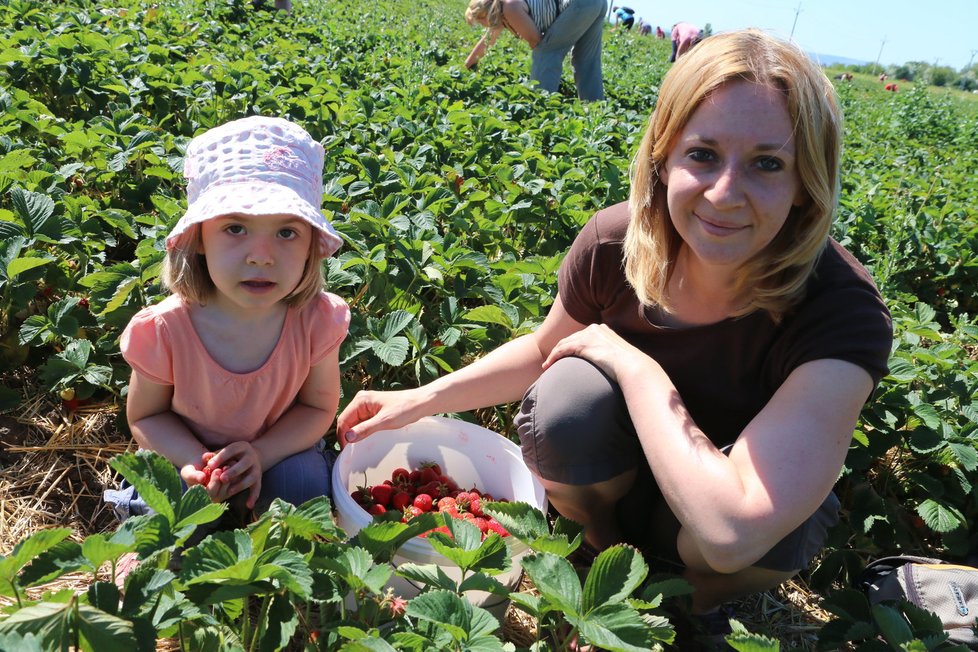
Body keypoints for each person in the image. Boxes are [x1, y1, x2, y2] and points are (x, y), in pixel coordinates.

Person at [337, 28, 892, 636]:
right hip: (619, 483)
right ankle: (602, 560)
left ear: (805, 183)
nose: (725, 193)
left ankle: (693, 606)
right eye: (702, 154)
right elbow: (546, 350)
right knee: (565, 397)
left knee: (763, 534)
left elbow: (734, 530)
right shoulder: (614, 245)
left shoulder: (841, 309)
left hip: (720, 524)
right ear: (664, 155)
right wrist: (419, 400)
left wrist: (639, 370)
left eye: (767, 163)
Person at [107, 116, 349, 523]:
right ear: (199, 237)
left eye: (287, 233)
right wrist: (192, 463)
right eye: (235, 228)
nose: (261, 256)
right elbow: (146, 416)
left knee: (302, 490)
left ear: (311, 246)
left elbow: (317, 407)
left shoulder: (316, 320)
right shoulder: (165, 330)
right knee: (170, 510)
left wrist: (262, 454)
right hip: (189, 454)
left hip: (278, 449)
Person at [463, 0, 607, 102]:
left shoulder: (510, 7)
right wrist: (466, 67)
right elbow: (487, 41)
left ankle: (541, 106)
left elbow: (536, 41)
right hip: (595, 3)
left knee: (545, 52)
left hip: (580, 4)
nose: (481, 26)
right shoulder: (504, 11)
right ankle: (595, 109)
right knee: (586, 60)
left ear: (484, 14)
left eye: (478, 21)